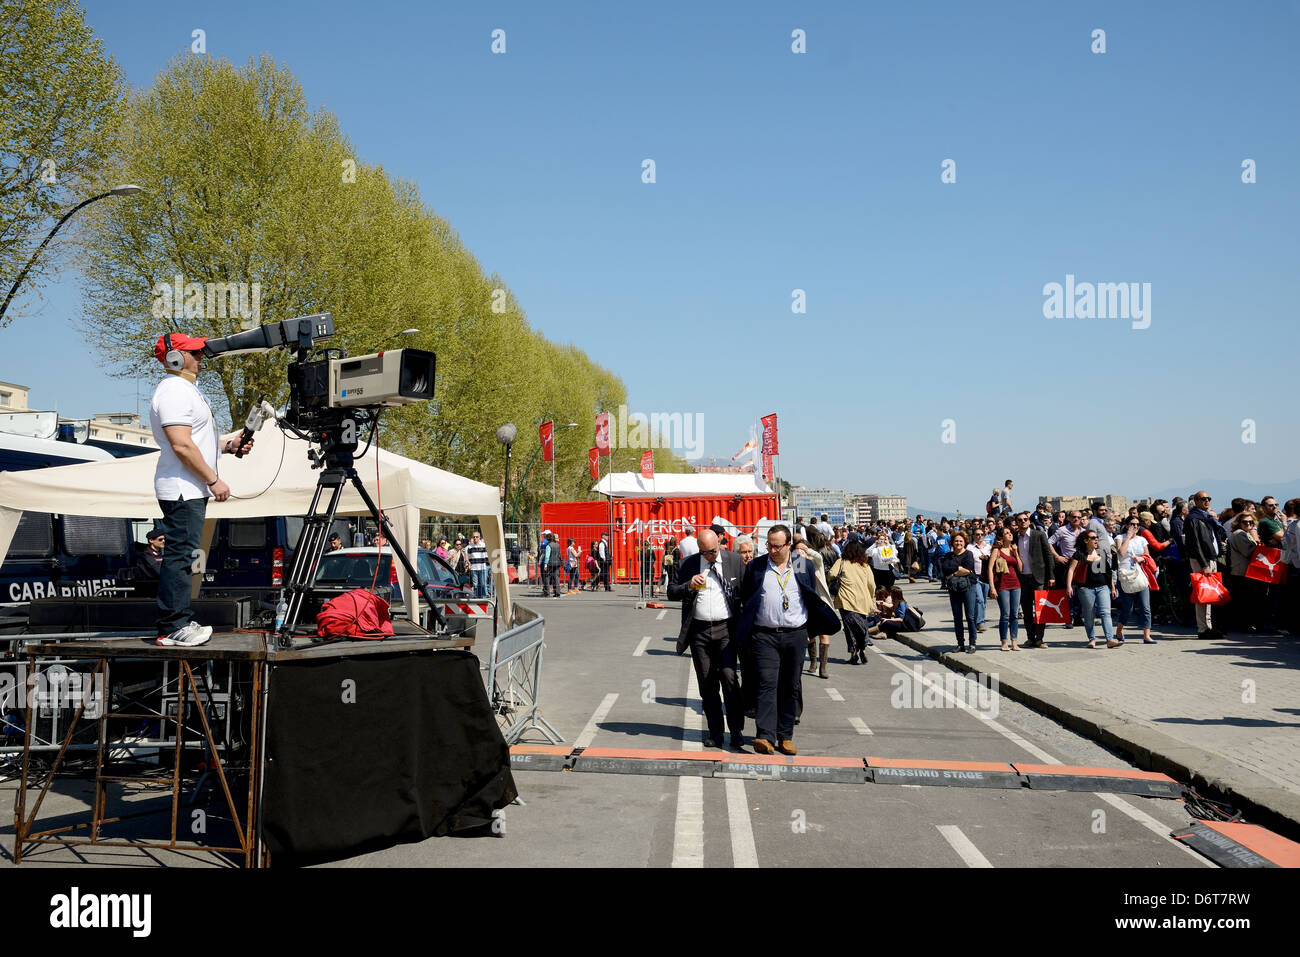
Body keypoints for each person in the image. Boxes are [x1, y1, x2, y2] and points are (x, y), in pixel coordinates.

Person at [148, 331, 255, 647]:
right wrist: (214, 480)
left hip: (188, 487)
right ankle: (172, 626)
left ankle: (176, 622)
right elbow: (181, 445)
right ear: (176, 358)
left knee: (183, 555)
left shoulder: (186, 390)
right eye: (195, 352)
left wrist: (228, 445)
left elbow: (192, 441)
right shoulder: (174, 392)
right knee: (180, 556)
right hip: (184, 489)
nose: (201, 357)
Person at [737, 524, 840, 756]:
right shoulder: (756, 566)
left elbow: (810, 595)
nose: (772, 550)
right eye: (769, 545)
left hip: (795, 634)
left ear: (788, 545)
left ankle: (785, 736)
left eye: (777, 546)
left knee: (790, 686)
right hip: (765, 635)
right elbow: (747, 596)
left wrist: (810, 629)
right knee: (766, 684)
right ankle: (765, 736)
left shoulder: (802, 564)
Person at [668, 528, 747, 749]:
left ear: (719, 542)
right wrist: (688, 585)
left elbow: (747, 592)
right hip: (700, 632)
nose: (709, 556)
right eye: (704, 553)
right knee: (707, 684)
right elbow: (671, 591)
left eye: (712, 551)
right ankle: (715, 732)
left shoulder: (734, 561)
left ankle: (737, 730)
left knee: (730, 679)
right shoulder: (688, 564)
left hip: (726, 630)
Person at [796, 526, 837, 679]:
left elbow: (818, 557)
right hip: (807, 604)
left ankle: (823, 667)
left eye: (803, 550)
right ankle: (813, 661)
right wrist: (797, 555)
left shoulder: (816, 561)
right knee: (810, 635)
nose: (801, 553)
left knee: (824, 635)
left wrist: (805, 549)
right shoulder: (799, 564)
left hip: (821, 602)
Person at [1184, 491, 1226, 639]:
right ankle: (1203, 628)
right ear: (1196, 501)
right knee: (1203, 593)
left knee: (1210, 594)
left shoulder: (1207, 517)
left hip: (1211, 558)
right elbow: (1195, 544)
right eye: (1203, 499)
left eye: (1209, 498)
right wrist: (1204, 564)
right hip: (1202, 560)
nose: (1207, 501)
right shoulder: (1193, 518)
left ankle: (1209, 626)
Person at [829, 539, 878, 665]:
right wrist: (871, 597)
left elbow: (831, 574)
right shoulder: (865, 565)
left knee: (850, 628)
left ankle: (854, 654)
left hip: (846, 599)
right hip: (863, 600)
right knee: (862, 624)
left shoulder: (841, 562)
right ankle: (863, 649)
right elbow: (872, 584)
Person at [1068, 529, 1118, 648]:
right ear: (1086, 540)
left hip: (1103, 587)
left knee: (1105, 612)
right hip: (1085, 589)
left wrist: (1113, 587)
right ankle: (1091, 639)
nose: (1096, 539)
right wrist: (1069, 586)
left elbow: (1107, 572)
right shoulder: (1079, 554)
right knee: (1089, 614)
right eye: (1093, 537)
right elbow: (1071, 570)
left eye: (1097, 537)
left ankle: (1110, 639)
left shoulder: (1101, 553)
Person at [1015, 512, 1056, 649]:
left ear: (1028, 521)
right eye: (1020, 520)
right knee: (1026, 610)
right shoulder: (1015, 537)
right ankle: (1030, 638)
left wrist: (1051, 576)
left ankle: (1040, 639)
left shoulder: (1039, 535)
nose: (1023, 522)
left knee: (1040, 609)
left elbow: (1048, 555)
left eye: (1025, 519)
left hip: (1039, 578)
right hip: (1023, 578)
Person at [1114, 516, 1156, 644]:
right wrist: (1128, 536)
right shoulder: (1119, 538)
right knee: (1128, 607)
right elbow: (1121, 553)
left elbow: (1147, 556)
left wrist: (1141, 559)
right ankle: (1119, 629)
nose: (1135, 527)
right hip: (1126, 575)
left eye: (1138, 524)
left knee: (1145, 606)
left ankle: (1146, 635)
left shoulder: (1142, 540)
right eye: (1132, 524)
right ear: (1127, 525)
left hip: (1141, 575)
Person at [941, 530, 980, 652]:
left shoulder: (968, 554)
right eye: (956, 541)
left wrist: (952, 573)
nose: (958, 543)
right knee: (957, 617)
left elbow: (968, 570)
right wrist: (958, 569)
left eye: (961, 541)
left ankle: (972, 643)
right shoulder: (948, 556)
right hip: (954, 589)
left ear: (965, 542)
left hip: (969, 587)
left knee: (970, 616)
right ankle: (960, 644)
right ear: (952, 542)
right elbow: (945, 569)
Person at [987, 527, 1022, 650]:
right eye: (1006, 533)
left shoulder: (1013, 550)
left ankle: (1014, 641)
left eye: (1010, 532)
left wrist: (1016, 552)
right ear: (1001, 537)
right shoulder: (997, 551)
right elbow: (990, 569)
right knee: (1005, 614)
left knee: (1014, 615)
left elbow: (1020, 568)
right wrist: (992, 587)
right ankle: (1004, 641)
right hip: (1002, 585)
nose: (1010, 534)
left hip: (1016, 584)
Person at [467, 531, 491, 598]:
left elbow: (487, 557)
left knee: (483, 584)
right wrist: (468, 564)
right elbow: (468, 557)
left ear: (479, 537)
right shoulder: (470, 547)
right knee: (475, 585)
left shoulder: (484, 545)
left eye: (476, 537)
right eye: (474, 537)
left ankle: (483, 598)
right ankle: (476, 598)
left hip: (482, 568)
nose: (475, 538)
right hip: (473, 568)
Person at [538, 530, 562, 597]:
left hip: (550, 564)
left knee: (547, 578)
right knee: (556, 578)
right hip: (557, 563)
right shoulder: (558, 545)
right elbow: (559, 555)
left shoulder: (548, 546)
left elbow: (547, 556)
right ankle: (557, 592)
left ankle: (547, 592)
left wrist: (545, 564)